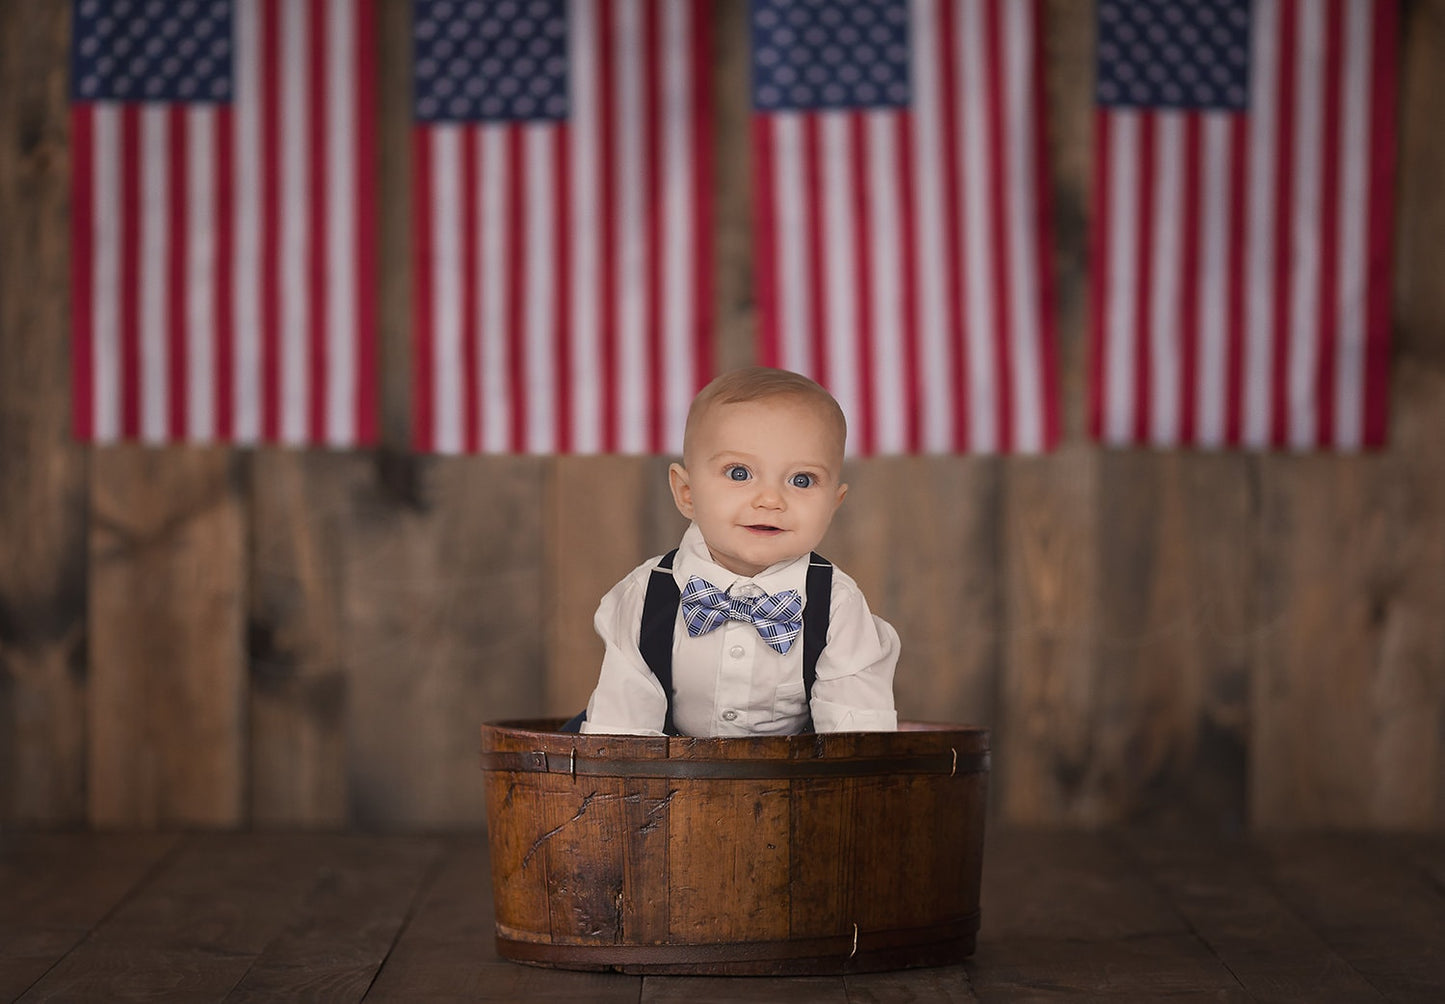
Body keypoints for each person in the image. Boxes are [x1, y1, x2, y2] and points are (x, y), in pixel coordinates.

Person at [573, 366, 898, 736]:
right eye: (739, 473)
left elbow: (857, 741)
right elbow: (621, 735)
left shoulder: (837, 605)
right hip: (669, 783)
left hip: (796, 784)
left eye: (802, 480)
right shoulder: (644, 596)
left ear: (833, 504)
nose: (771, 499)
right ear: (687, 493)